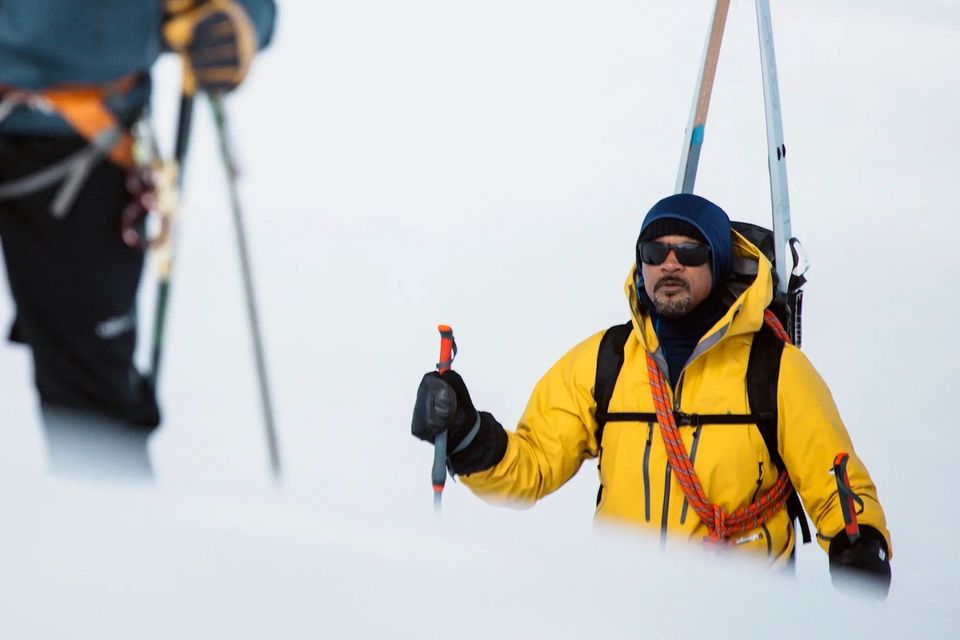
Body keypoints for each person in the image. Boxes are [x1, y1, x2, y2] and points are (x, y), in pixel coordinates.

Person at [412, 193, 892, 596]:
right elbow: (531, 466)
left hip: (738, 614)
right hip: (621, 611)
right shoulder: (606, 360)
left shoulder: (775, 369)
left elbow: (837, 485)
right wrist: (466, 433)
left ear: (719, 262)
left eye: (690, 251)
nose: (669, 263)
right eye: (655, 250)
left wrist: (860, 547)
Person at [0, 0, 276, 480]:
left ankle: (113, 544)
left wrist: (238, 18)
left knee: (95, 426)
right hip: (85, 134)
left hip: (84, 139)